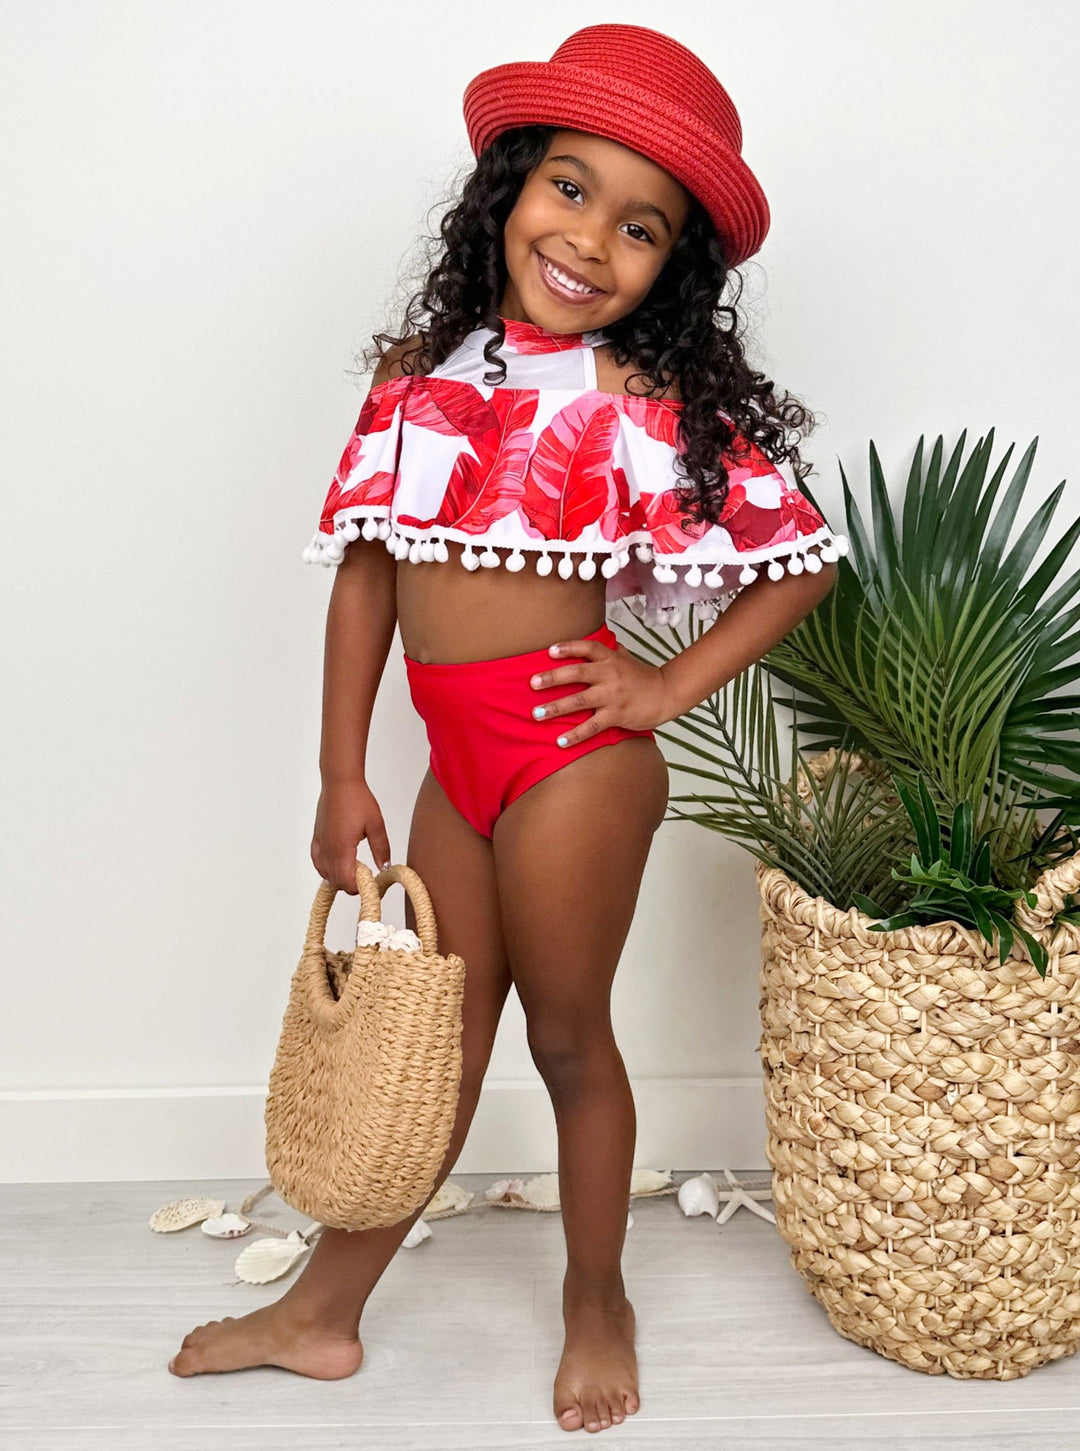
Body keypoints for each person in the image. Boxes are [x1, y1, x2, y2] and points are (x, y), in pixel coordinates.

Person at [168, 21, 848, 1435]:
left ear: (672, 270)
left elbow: (804, 565)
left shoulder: (637, 403)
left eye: (640, 227)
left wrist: (659, 690)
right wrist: (341, 770)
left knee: (568, 1040)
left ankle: (598, 1298)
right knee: (435, 1041)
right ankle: (323, 1314)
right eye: (570, 189)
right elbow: (369, 572)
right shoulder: (420, 371)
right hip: (452, 768)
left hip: (572, 766)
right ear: (511, 188)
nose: (590, 239)